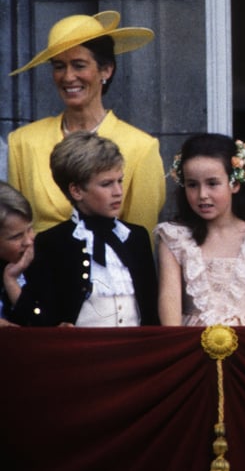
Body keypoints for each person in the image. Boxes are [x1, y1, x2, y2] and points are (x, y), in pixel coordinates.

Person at [7, 11, 165, 233]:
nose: (68, 76)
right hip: (41, 267)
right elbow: (13, 232)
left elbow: (140, 242)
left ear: (106, 70)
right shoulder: (23, 142)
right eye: (59, 66)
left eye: (79, 65)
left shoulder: (141, 147)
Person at [8, 132, 159, 326]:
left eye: (119, 180)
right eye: (106, 184)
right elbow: (40, 315)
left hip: (135, 352)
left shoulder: (135, 237)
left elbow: (151, 311)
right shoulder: (52, 242)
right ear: (76, 190)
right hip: (80, 353)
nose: (118, 192)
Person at [156, 133, 245, 326]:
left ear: (235, 183)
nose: (202, 195)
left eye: (212, 183)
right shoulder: (174, 238)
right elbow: (169, 298)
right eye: (192, 185)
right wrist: (175, 348)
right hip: (193, 340)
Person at [0, 181, 35, 326]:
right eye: (16, 236)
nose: (28, 241)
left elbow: (35, 324)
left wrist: (11, 280)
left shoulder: (38, 262)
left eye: (30, 229)